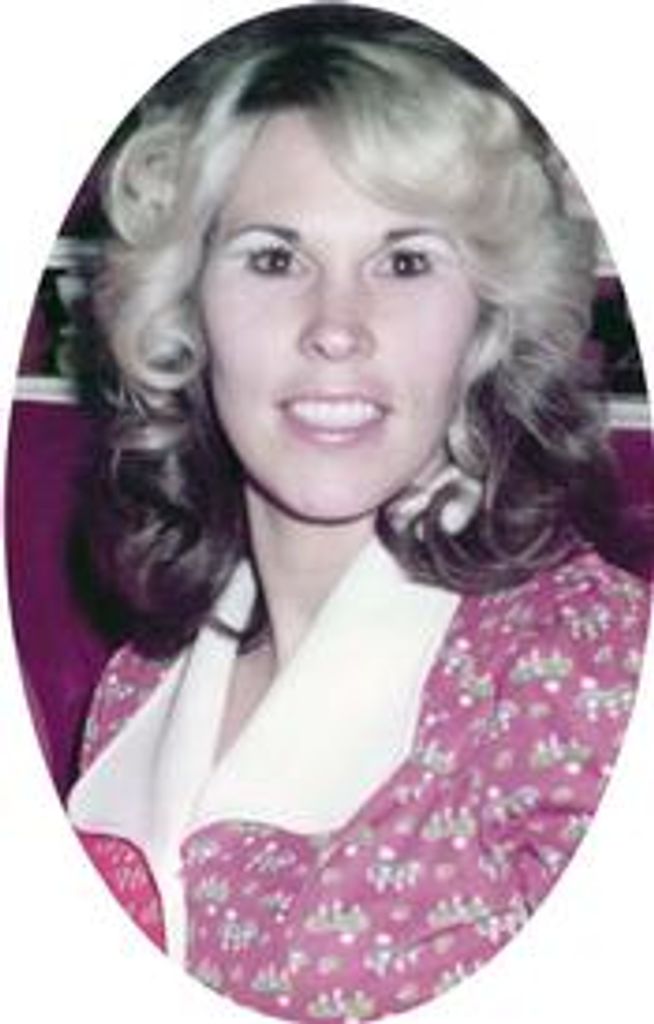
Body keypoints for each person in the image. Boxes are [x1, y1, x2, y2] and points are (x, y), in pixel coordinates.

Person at [66, 5, 650, 1021]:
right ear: (186, 307)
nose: (336, 327)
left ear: (486, 317)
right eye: (274, 258)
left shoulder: (590, 671)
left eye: (406, 261)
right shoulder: (135, 692)